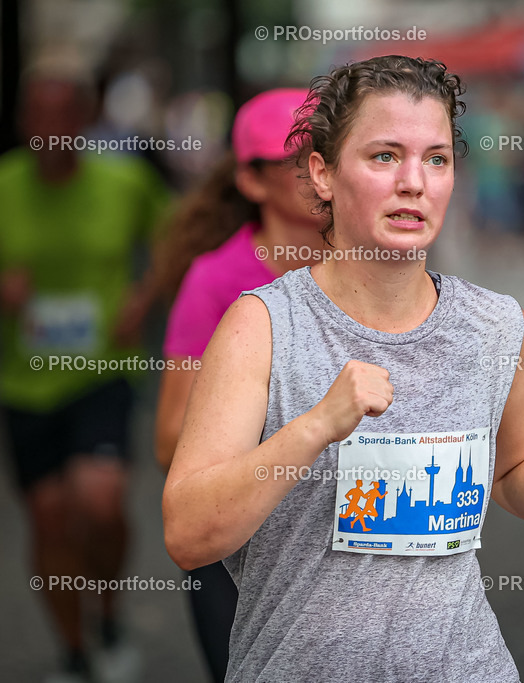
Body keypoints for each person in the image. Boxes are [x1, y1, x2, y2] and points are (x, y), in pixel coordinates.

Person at [162, 55, 524, 681]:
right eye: (384, 156)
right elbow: (189, 532)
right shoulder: (263, 327)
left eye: (436, 159)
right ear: (322, 174)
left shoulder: (495, 325)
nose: (414, 181)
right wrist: (316, 426)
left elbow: (518, 459)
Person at [0, 64, 169, 683]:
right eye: (37, 120)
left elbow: (179, 237)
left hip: (104, 368)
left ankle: (110, 609)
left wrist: (144, 297)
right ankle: (73, 653)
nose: (49, 133)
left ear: (82, 121)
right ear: (23, 125)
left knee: (97, 502)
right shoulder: (5, 185)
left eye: (61, 119)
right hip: (25, 380)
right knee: (48, 519)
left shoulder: (123, 181)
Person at [153, 88, 321, 681]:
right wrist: (305, 430)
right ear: (251, 181)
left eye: (327, 151)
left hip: (344, 539)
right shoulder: (217, 281)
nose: (316, 171)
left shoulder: (373, 266)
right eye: (295, 159)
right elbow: (170, 438)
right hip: (236, 551)